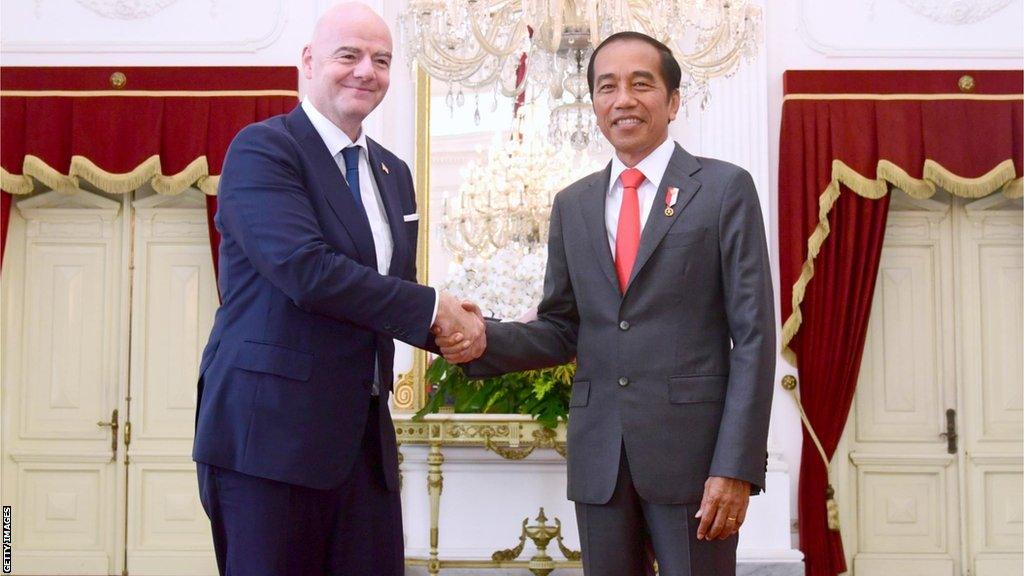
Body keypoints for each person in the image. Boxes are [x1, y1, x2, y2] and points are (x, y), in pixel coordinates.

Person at [438, 31, 775, 576]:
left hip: (695, 461)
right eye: (607, 86)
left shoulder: (722, 189)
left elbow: (754, 336)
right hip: (601, 458)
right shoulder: (573, 204)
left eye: (641, 84)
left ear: (673, 101)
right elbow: (562, 327)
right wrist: (483, 337)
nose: (623, 99)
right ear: (593, 101)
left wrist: (735, 466)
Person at [191, 4, 482, 575]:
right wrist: (432, 309)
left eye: (381, 60)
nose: (365, 71)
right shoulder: (263, 149)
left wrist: (467, 330)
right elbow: (307, 270)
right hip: (268, 438)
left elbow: (387, 293)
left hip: (362, 445)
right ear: (308, 61)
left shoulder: (394, 173)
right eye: (348, 55)